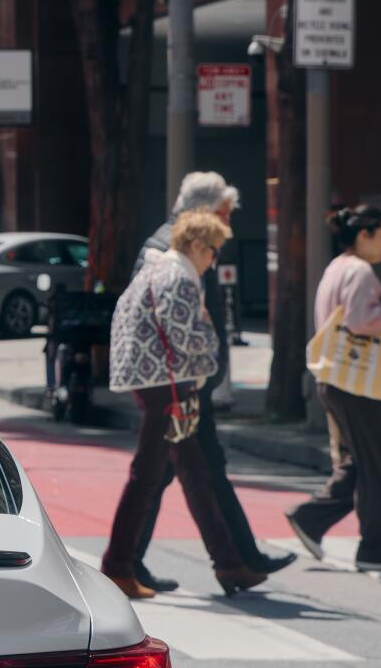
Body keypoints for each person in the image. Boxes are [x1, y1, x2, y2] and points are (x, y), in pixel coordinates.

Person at [130, 172, 295, 592]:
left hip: (183, 380)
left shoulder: (177, 241)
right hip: (177, 382)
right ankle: (232, 560)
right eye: (224, 213)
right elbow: (167, 318)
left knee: (190, 471)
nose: (229, 223)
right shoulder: (171, 246)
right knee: (182, 472)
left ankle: (232, 559)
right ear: (203, 213)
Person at [102, 210, 267, 599]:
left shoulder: (164, 269)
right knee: (148, 474)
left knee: (193, 471)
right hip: (165, 383)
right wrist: (211, 350)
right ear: (195, 244)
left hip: (158, 380)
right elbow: (184, 335)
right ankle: (116, 565)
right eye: (213, 251)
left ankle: (229, 563)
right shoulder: (177, 275)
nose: (215, 260)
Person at [286, 205, 381, 573]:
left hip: (333, 378)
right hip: (355, 382)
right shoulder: (360, 271)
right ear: (364, 235)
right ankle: (378, 550)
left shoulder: (336, 267)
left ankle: (310, 518)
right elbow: (361, 320)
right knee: (379, 468)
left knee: (360, 461)